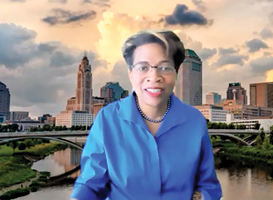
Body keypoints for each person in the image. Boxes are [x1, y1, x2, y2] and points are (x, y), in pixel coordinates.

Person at [70, 30, 222, 200]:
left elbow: (208, 186)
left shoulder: (195, 121)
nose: (154, 77)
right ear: (130, 73)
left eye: (165, 67)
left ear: (176, 73)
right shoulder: (108, 118)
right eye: (143, 67)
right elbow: (90, 185)